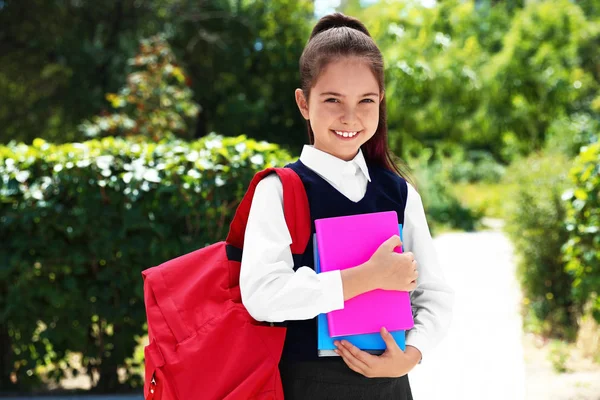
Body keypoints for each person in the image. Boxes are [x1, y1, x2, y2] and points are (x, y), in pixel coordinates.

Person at [240, 12, 454, 400]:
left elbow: (434, 294)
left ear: (381, 101)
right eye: (332, 99)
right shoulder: (280, 190)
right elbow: (262, 297)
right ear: (304, 103)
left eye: (365, 100)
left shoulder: (399, 192)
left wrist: (411, 355)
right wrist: (367, 277)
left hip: (390, 386)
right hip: (304, 386)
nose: (350, 116)